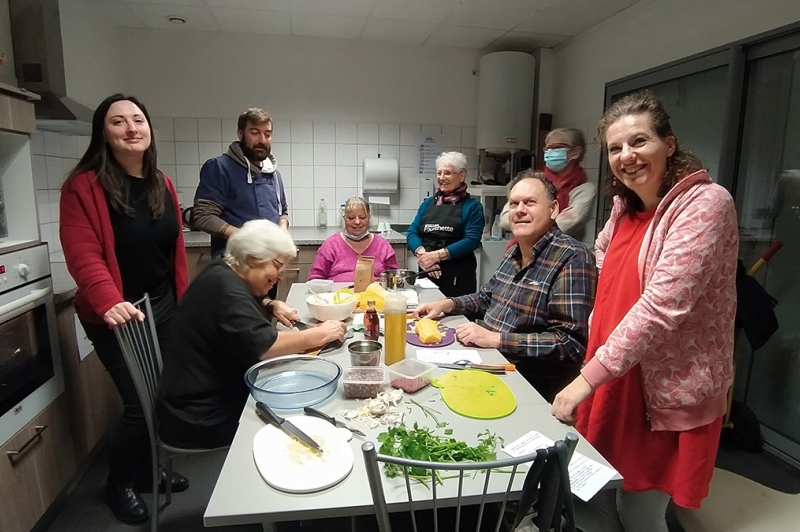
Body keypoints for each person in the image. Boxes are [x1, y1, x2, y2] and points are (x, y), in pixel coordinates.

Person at [551, 90, 738, 532]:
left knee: (640, 512)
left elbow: (662, 306)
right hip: (613, 376)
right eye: (615, 148)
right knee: (596, 494)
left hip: (662, 389)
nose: (626, 156)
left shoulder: (706, 204)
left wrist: (584, 381)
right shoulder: (623, 209)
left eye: (639, 141)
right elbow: (604, 271)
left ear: (669, 144)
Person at [59, 94, 189, 525]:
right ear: (104, 133)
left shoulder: (162, 183)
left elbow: (173, 252)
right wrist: (108, 299)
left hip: (162, 306)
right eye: (119, 122)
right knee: (140, 403)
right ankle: (120, 483)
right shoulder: (85, 186)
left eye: (138, 119)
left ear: (149, 129)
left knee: (164, 394)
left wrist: (182, 303)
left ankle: (150, 473)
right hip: (116, 313)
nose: (131, 128)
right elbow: (83, 253)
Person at [157, 220, 348, 449]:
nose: (279, 275)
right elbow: (267, 347)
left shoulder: (221, 272)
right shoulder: (226, 291)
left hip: (198, 400)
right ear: (251, 258)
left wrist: (269, 304)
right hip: (201, 416)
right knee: (301, 419)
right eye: (277, 266)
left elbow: (240, 309)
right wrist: (320, 333)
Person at [414, 170, 596, 402]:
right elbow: (488, 298)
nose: (520, 210)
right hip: (490, 363)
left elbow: (569, 343)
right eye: (514, 203)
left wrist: (497, 339)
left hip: (529, 386)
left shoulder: (572, 258)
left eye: (530, 202)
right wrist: (447, 304)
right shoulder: (514, 251)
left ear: (553, 209)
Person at [192, 107, 289, 259]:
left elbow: (283, 213)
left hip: (268, 262)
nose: (262, 140)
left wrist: (283, 228)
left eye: (267, 134)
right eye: (255, 133)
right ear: (240, 134)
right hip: (234, 262)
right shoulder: (219, 167)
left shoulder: (274, 174)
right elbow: (203, 216)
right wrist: (244, 239)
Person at [406, 152, 484, 297]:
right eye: (439, 173)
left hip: (457, 279)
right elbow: (412, 233)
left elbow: (471, 241)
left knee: (455, 319)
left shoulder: (472, 206)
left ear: (462, 175)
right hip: (426, 275)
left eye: (447, 173)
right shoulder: (427, 204)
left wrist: (437, 256)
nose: (441, 178)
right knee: (425, 316)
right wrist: (425, 257)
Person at [499, 128, 596, 241]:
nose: (550, 152)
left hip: (560, 253)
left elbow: (564, 225)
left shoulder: (584, 190)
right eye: (547, 148)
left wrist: (523, 222)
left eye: (557, 147)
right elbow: (505, 220)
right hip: (522, 252)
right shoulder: (533, 181)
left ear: (575, 152)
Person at [308, 197, 399, 281]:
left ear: (369, 218)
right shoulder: (331, 245)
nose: (357, 222)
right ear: (344, 218)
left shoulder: (382, 245)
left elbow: (394, 278)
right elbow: (315, 278)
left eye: (362, 217)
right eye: (351, 218)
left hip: (373, 297)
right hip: (338, 296)